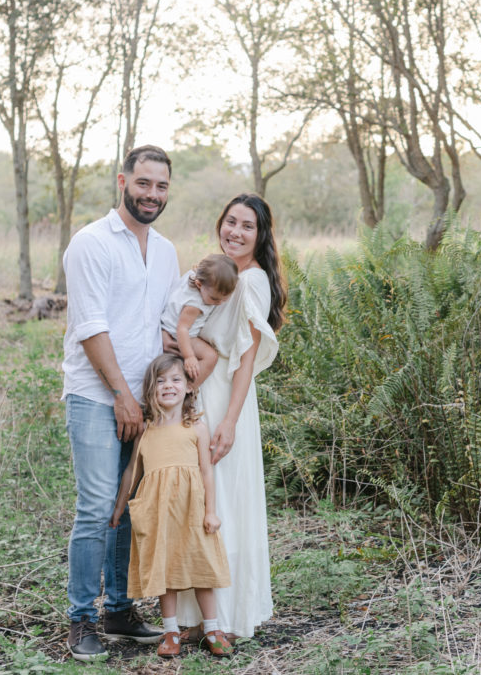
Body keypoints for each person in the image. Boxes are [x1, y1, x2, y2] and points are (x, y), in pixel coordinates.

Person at [61, 145, 178, 662]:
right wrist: (121, 396)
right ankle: (82, 620)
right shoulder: (91, 243)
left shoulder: (168, 250)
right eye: (144, 183)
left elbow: (165, 322)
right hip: (96, 396)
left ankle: (121, 611)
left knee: (129, 508)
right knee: (95, 509)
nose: (152, 194)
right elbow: (91, 326)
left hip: (144, 401)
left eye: (161, 186)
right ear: (122, 181)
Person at [174, 193, 287, 642]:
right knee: (198, 500)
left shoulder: (252, 281)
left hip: (226, 399)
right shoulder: (218, 274)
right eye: (230, 222)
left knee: (224, 503)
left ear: (260, 237)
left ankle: (228, 616)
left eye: (247, 226)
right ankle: (195, 616)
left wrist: (230, 422)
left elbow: (245, 358)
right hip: (199, 392)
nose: (235, 232)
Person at [110, 353, 234, 659]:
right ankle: (170, 631)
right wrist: (119, 507)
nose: (169, 386)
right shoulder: (146, 431)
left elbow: (207, 472)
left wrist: (211, 511)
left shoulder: (197, 428)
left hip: (192, 511)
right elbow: (131, 472)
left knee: (201, 567)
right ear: (151, 391)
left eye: (176, 379)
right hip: (159, 513)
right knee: (166, 572)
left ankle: (213, 629)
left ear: (189, 388)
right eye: (160, 381)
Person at [160, 254, 238, 388]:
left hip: (172, 328)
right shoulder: (195, 304)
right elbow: (182, 329)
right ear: (198, 284)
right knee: (210, 357)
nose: (219, 303)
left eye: (224, 299)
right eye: (214, 299)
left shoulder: (195, 275)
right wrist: (189, 356)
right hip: (178, 334)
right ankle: (188, 390)